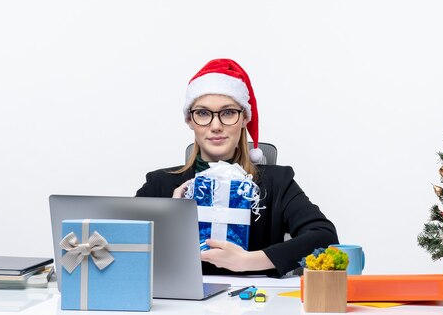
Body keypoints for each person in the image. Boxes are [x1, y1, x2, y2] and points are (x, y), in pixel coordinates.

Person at [135, 58, 338, 277]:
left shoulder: (278, 182)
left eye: (228, 112)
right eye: (203, 113)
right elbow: (119, 244)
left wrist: (248, 261)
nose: (215, 126)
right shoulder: (160, 184)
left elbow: (324, 237)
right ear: (189, 121)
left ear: (243, 119)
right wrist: (171, 217)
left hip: (255, 304)